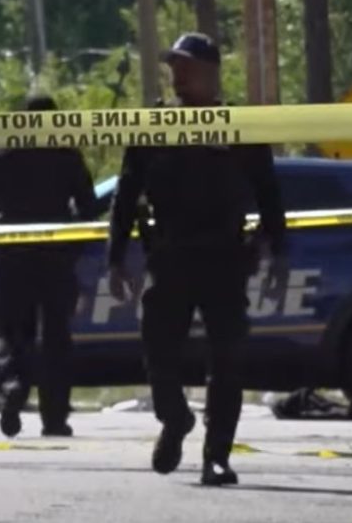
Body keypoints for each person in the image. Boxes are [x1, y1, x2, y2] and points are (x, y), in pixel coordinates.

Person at [106, 32, 289, 486]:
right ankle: (175, 418)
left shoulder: (237, 126)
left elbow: (269, 193)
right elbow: (126, 195)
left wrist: (279, 254)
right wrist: (115, 259)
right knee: (157, 346)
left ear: (211, 73)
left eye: (186, 67)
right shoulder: (155, 125)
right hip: (169, 256)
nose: (178, 75)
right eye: (174, 67)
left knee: (227, 358)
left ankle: (217, 456)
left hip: (225, 257)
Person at [0, 94, 98, 438]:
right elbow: (88, 209)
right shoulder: (67, 157)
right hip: (56, 259)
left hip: (12, 258)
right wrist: (74, 246)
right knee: (56, 338)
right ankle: (54, 418)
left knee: (15, 333)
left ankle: (14, 386)